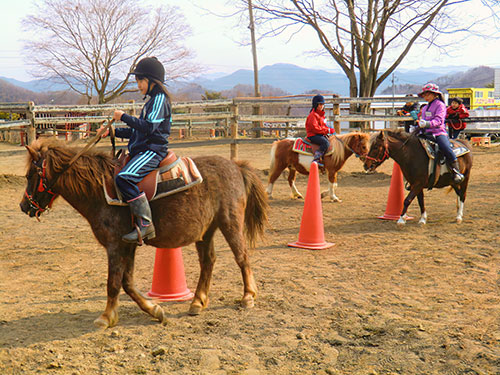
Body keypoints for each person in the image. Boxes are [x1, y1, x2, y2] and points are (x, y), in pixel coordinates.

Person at [100, 57, 172, 243]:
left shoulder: (159, 100)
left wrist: (124, 116)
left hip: (153, 151)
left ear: (151, 81)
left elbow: (148, 128)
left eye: (140, 81)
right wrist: (112, 131)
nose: (138, 85)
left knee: (123, 178)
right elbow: (138, 130)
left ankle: (146, 224)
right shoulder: (151, 101)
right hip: (144, 148)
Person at [417, 83, 464, 184]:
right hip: (426, 133)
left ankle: (456, 171)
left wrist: (427, 123)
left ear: (435, 94)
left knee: (445, 147)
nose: (425, 97)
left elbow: (439, 120)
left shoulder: (440, 105)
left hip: (438, 133)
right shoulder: (425, 108)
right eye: (424, 95)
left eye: (427, 94)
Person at [305, 94, 335, 166]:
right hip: (313, 135)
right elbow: (315, 128)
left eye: (323, 104)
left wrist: (328, 130)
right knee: (325, 143)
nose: (322, 106)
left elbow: (322, 126)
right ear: (316, 105)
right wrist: (327, 130)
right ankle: (317, 158)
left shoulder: (320, 115)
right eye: (320, 104)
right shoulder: (313, 115)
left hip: (318, 134)